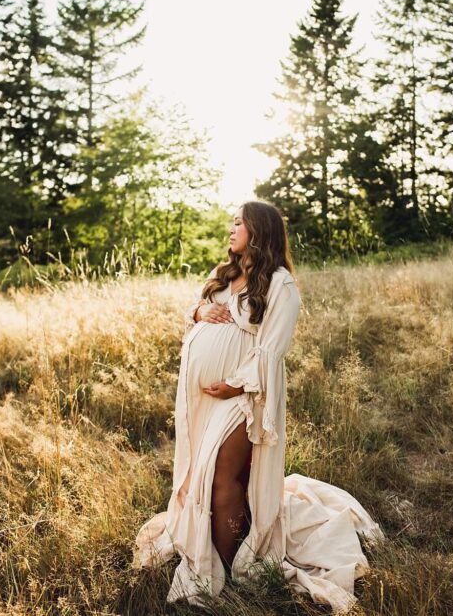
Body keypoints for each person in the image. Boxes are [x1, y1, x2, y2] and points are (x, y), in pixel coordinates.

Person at [134, 200, 383, 611]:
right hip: (204, 400)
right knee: (205, 475)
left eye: (239, 223)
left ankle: (233, 571)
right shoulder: (224, 274)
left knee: (221, 476)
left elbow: (272, 349)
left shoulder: (280, 284)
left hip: (247, 396)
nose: (231, 229)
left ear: (260, 231)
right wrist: (198, 309)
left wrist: (234, 385)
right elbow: (192, 315)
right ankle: (224, 548)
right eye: (232, 222)